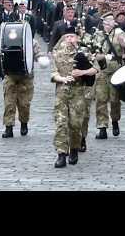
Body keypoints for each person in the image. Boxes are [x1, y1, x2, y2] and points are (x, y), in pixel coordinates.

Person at [51, 26, 99, 168]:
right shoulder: (58, 54)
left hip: (78, 93)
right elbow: (53, 73)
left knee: (75, 124)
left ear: (77, 38)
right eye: (67, 37)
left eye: (72, 37)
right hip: (62, 93)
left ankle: (74, 149)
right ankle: (61, 153)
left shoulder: (84, 52)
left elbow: (96, 69)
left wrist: (83, 72)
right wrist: (61, 78)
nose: (69, 40)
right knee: (61, 123)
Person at [93, 12, 125, 141]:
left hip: (115, 70)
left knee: (115, 99)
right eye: (105, 21)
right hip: (101, 70)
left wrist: (124, 42)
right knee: (101, 99)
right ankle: (102, 127)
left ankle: (115, 121)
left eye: (110, 21)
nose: (107, 24)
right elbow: (94, 51)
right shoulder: (98, 34)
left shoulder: (119, 33)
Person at [1, 38, 43, 138]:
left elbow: (38, 54)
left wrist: (41, 58)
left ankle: (24, 124)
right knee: (9, 102)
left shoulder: (31, 41)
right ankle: (8, 128)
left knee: (24, 103)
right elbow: (0, 52)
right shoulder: (5, 39)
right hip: (10, 75)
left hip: (26, 76)